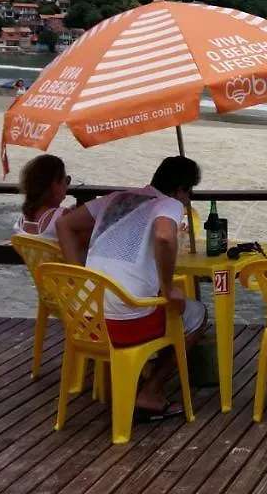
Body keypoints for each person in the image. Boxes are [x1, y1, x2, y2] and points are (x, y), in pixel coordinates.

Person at [55, 156, 208, 420]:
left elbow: (64, 224)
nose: (187, 200)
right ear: (181, 189)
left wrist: (77, 276)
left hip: (85, 319)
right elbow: (163, 236)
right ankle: (150, 392)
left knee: (158, 305)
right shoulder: (168, 204)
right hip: (122, 325)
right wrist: (168, 286)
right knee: (197, 315)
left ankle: (132, 380)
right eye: (189, 192)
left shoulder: (116, 198)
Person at [14, 154, 71, 241]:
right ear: (55, 184)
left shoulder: (21, 220)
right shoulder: (63, 216)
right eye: (66, 180)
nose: (67, 186)